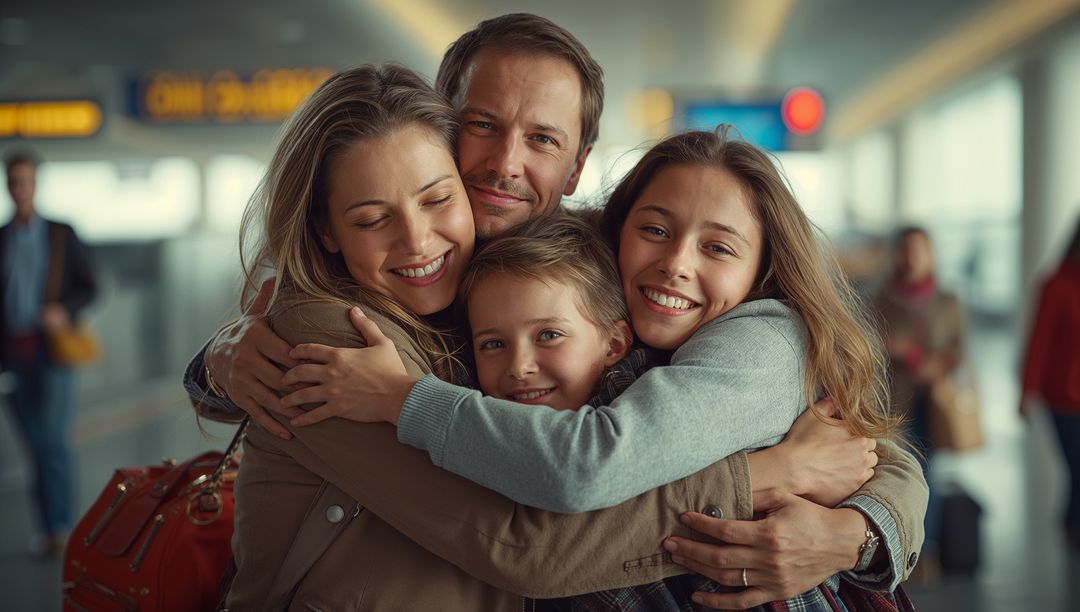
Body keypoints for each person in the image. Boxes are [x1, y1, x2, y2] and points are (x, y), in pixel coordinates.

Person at [187, 14, 928, 609]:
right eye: (482, 125)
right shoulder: (355, 323)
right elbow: (528, 547)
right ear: (444, 128)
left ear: (576, 166)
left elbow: (851, 437)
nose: (507, 162)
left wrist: (857, 530)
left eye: (542, 138)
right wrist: (224, 355)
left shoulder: (608, 268)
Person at [281, 127, 914, 610]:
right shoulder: (581, 290)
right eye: (655, 229)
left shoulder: (763, 338)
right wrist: (222, 359)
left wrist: (858, 530)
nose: (676, 264)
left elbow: (588, 466)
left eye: (718, 247)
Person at [2, 150, 97, 556]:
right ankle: (48, 527)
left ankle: (60, 526)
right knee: (34, 443)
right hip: (12, 355)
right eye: (14, 181)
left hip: (53, 352)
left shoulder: (61, 233)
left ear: (36, 185)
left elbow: (90, 286)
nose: (21, 188)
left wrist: (64, 310)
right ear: (8, 186)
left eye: (27, 181)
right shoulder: (1, 238)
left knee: (54, 440)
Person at [874, 225, 967, 572]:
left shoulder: (948, 301)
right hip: (893, 403)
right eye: (906, 249)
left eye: (920, 250)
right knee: (901, 473)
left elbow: (959, 350)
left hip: (936, 402)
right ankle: (904, 550)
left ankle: (927, 553)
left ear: (931, 255)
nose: (912, 257)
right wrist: (889, 348)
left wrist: (936, 362)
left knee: (930, 475)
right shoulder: (880, 300)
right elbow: (861, 349)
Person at [1021, 218, 1080, 549]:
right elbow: (1039, 343)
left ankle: (1070, 523)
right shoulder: (1056, 284)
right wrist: (1026, 392)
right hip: (1064, 398)